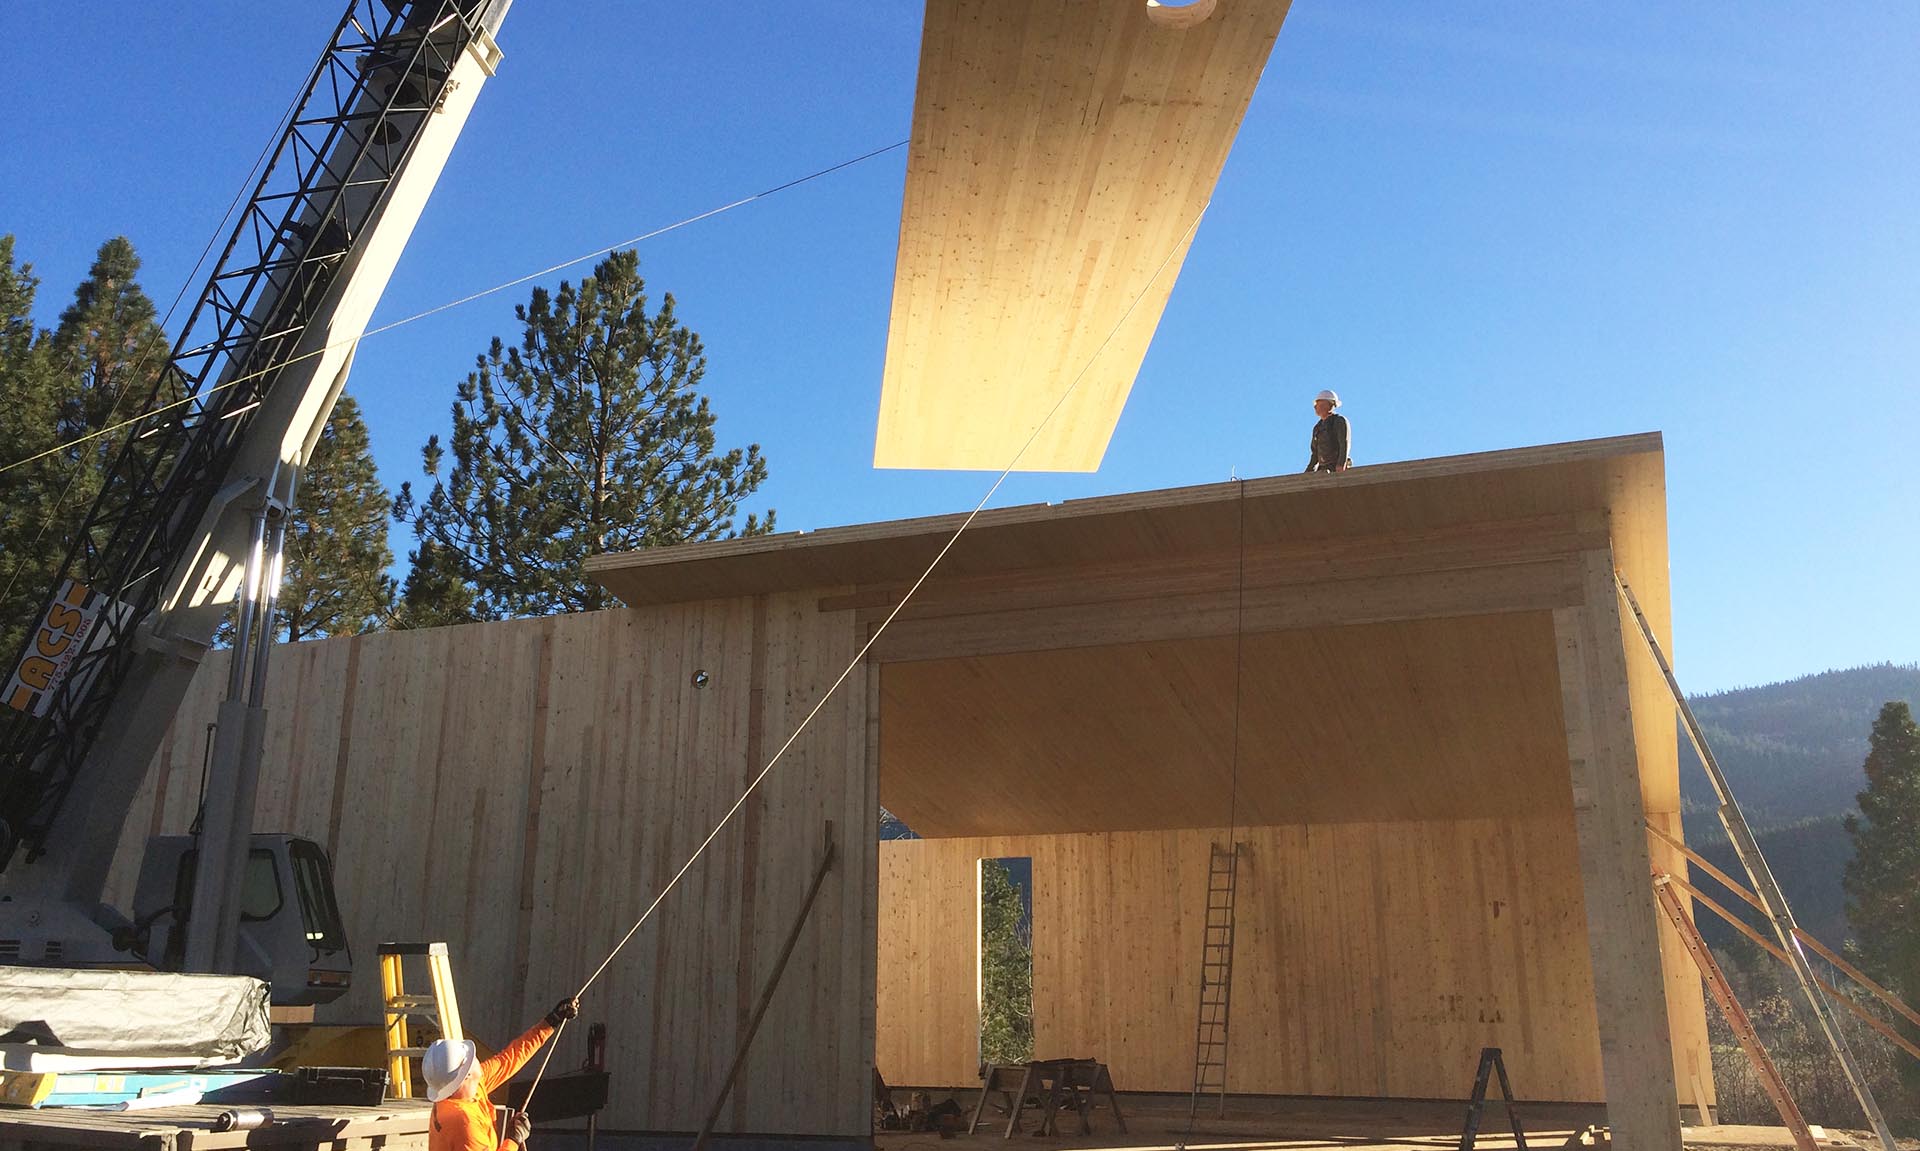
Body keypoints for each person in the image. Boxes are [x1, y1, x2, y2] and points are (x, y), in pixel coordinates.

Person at [422, 996, 580, 1151]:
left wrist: (551, 1022)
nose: (476, 1058)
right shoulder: (466, 1123)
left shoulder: (465, 1090)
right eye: (471, 1058)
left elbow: (510, 1058)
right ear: (466, 1075)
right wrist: (513, 1140)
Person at [1303, 389, 1350, 474]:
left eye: (1320, 404)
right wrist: (1309, 471)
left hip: (1335, 466)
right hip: (1323, 468)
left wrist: (1341, 464)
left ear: (1330, 405)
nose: (1316, 407)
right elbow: (1315, 454)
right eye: (1316, 405)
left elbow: (1344, 443)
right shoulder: (1317, 428)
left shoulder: (1339, 421)